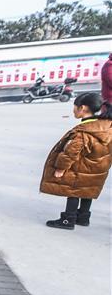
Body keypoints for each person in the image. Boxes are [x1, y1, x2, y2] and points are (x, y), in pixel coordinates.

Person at [40, 91, 112, 230]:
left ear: (83, 108)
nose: (73, 110)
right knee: (88, 190)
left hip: (81, 167)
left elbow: (71, 152)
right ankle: (83, 217)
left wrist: (61, 168)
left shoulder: (84, 131)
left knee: (73, 191)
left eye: (75, 107)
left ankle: (68, 219)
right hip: (99, 168)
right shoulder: (107, 127)